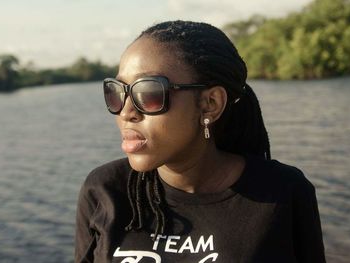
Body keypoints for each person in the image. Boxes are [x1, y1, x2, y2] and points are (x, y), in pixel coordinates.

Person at [75, 20, 326, 263]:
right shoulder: (104, 190)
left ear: (211, 104)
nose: (126, 111)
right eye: (117, 92)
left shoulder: (282, 192)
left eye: (148, 92)